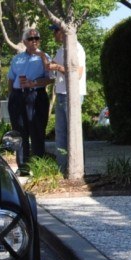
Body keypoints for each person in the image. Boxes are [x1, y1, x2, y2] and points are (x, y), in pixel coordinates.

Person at [7, 28, 54, 175]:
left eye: (37, 38)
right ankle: (23, 168)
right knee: (20, 133)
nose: (34, 41)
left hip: (36, 96)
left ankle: (39, 167)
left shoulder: (44, 56)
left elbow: (51, 78)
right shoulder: (17, 58)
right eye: (31, 38)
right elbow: (10, 78)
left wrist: (34, 83)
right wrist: (12, 96)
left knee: (37, 131)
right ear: (24, 41)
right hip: (18, 97)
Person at [46, 24, 86, 175]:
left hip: (73, 95)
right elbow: (54, 70)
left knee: (73, 134)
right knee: (61, 133)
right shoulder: (61, 50)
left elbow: (78, 74)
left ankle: (77, 171)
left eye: (55, 31)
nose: (53, 35)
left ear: (62, 32)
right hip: (61, 94)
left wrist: (57, 67)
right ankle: (62, 170)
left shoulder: (76, 48)